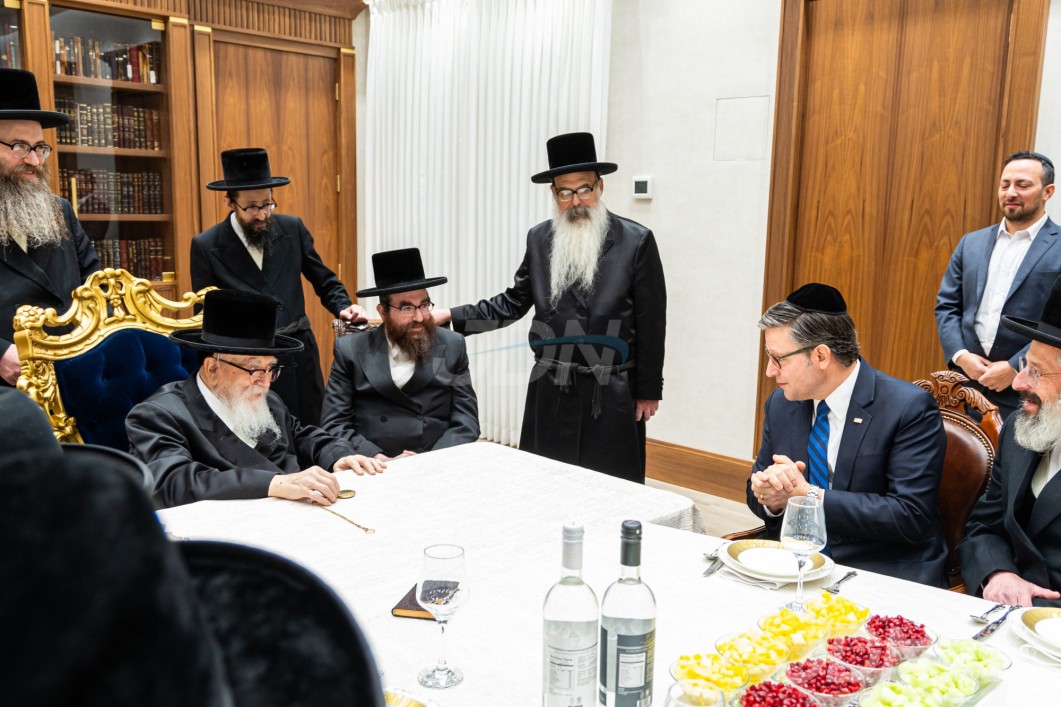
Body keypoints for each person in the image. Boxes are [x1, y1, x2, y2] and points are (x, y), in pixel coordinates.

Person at [433, 132, 666, 483]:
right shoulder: (540, 238)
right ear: (554, 194)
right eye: (565, 192)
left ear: (600, 186)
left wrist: (648, 390)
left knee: (611, 486)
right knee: (547, 483)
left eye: (584, 189)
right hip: (552, 386)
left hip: (611, 387)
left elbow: (652, 321)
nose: (576, 201)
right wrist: (453, 316)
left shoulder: (636, 240)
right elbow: (514, 301)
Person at [748, 283, 948, 587]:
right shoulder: (782, 403)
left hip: (878, 567)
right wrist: (771, 498)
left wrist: (809, 496)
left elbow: (909, 516)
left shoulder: (908, 408)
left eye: (779, 359)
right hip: (796, 561)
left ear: (821, 356)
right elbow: (757, 491)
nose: (770, 371)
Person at [126, 289, 383, 508]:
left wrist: (337, 456)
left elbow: (301, 435)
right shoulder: (158, 415)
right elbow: (175, 483)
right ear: (212, 368)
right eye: (253, 368)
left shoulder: (262, 397)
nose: (266, 381)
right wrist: (275, 483)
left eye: (270, 368)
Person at [190, 147, 365, 426]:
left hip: (297, 353)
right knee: (260, 431)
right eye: (251, 207)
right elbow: (205, 317)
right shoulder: (206, 245)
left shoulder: (292, 228)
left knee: (310, 428)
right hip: (247, 365)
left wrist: (344, 307)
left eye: (267, 204)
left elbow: (325, 280)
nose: (262, 215)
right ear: (230, 203)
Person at [957, 274, 1061, 607]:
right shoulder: (1021, 427)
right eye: (1024, 365)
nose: (1018, 383)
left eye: (1036, 372)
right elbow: (984, 525)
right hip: (1000, 610)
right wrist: (999, 573)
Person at [935, 150, 1059, 419]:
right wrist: (961, 355)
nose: (1011, 192)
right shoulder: (971, 242)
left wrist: (1015, 367)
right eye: (1005, 185)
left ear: (1047, 192)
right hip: (964, 385)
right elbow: (947, 306)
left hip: (1027, 393)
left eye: (1023, 185)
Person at [321, 248, 479, 459]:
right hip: (372, 464)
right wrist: (375, 457)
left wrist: (431, 459)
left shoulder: (452, 345)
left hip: (436, 459)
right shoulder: (350, 350)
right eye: (406, 308)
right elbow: (334, 424)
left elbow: (466, 421)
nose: (419, 317)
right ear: (383, 312)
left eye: (424, 305)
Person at [0, 68, 100, 386]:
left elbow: (96, 288)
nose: (34, 160)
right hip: (9, 389)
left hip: (75, 374)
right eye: (19, 146)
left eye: (40, 147)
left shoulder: (61, 210)